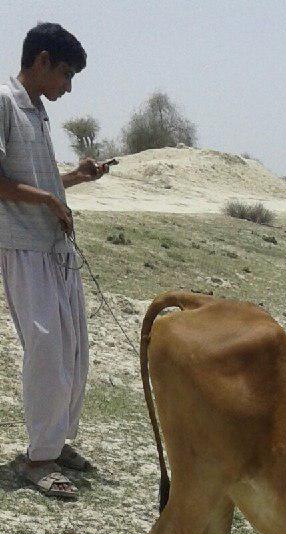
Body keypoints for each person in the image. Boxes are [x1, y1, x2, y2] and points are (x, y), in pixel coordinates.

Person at [1, 22, 111, 500]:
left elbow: (40, 180)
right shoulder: (5, 102)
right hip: (24, 247)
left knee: (73, 348)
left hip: (57, 248)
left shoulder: (38, 112)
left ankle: (56, 439)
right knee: (46, 347)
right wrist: (48, 202)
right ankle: (39, 459)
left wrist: (77, 178)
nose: (67, 87)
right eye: (65, 74)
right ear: (42, 60)